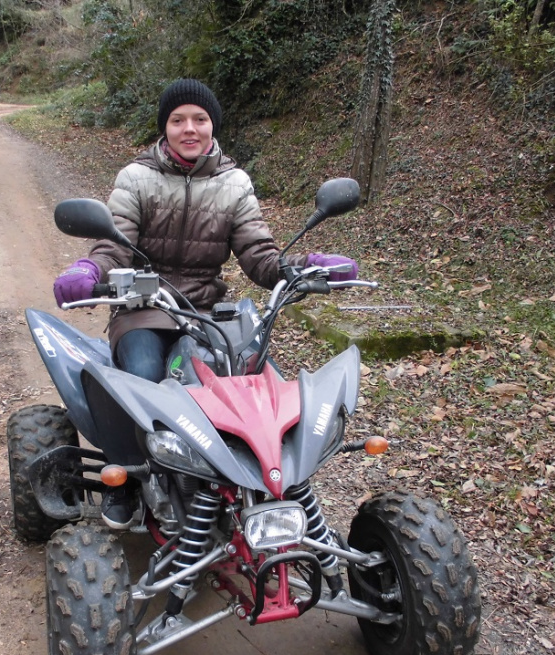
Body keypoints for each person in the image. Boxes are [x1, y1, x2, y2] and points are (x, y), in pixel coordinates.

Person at [53, 78, 357, 528]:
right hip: (143, 307)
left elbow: (259, 255)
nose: (189, 128)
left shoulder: (234, 183)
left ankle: (262, 482)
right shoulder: (137, 177)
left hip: (207, 314)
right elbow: (114, 244)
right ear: (165, 127)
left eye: (199, 119)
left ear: (213, 125)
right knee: (140, 381)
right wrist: (89, 269)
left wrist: (307, 266)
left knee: (254, 380)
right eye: (178, 120)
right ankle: (129, 479)